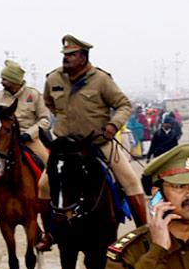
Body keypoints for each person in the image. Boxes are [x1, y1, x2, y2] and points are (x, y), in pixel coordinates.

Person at [40, 34, 148, 231]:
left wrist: (113, 125)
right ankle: (49, 233)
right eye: (65, 54)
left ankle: (144, 232)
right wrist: (66, 119)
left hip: (98, 143)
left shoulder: (101, 80)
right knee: (43, 185)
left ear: (84, 56)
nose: (67, 58)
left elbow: (123, 105)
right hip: (66, 147)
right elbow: (48, 102)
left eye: (72, 54)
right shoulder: (53, 78)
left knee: (130, 180)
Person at [0, 59, 52, 147]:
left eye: (4, 79)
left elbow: (45, 120)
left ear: (14, 80)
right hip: (6, 142)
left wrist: (29, 134)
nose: (1, 82)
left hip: (31, 140)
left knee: (44, 159)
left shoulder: (34, 94)